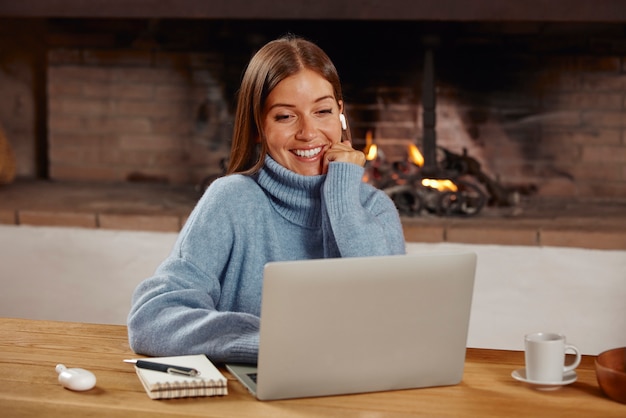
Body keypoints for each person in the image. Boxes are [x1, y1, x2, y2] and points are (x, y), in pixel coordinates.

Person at [127, 35, 406, 364]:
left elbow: (389, 324)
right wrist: (271, 343)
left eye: (323, 111)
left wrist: (344, 200)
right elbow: (152, 318)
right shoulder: (232, 201)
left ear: (341, 115)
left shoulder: (375, 209)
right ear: (259, 126)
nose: (308, 132)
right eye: (286, 116)